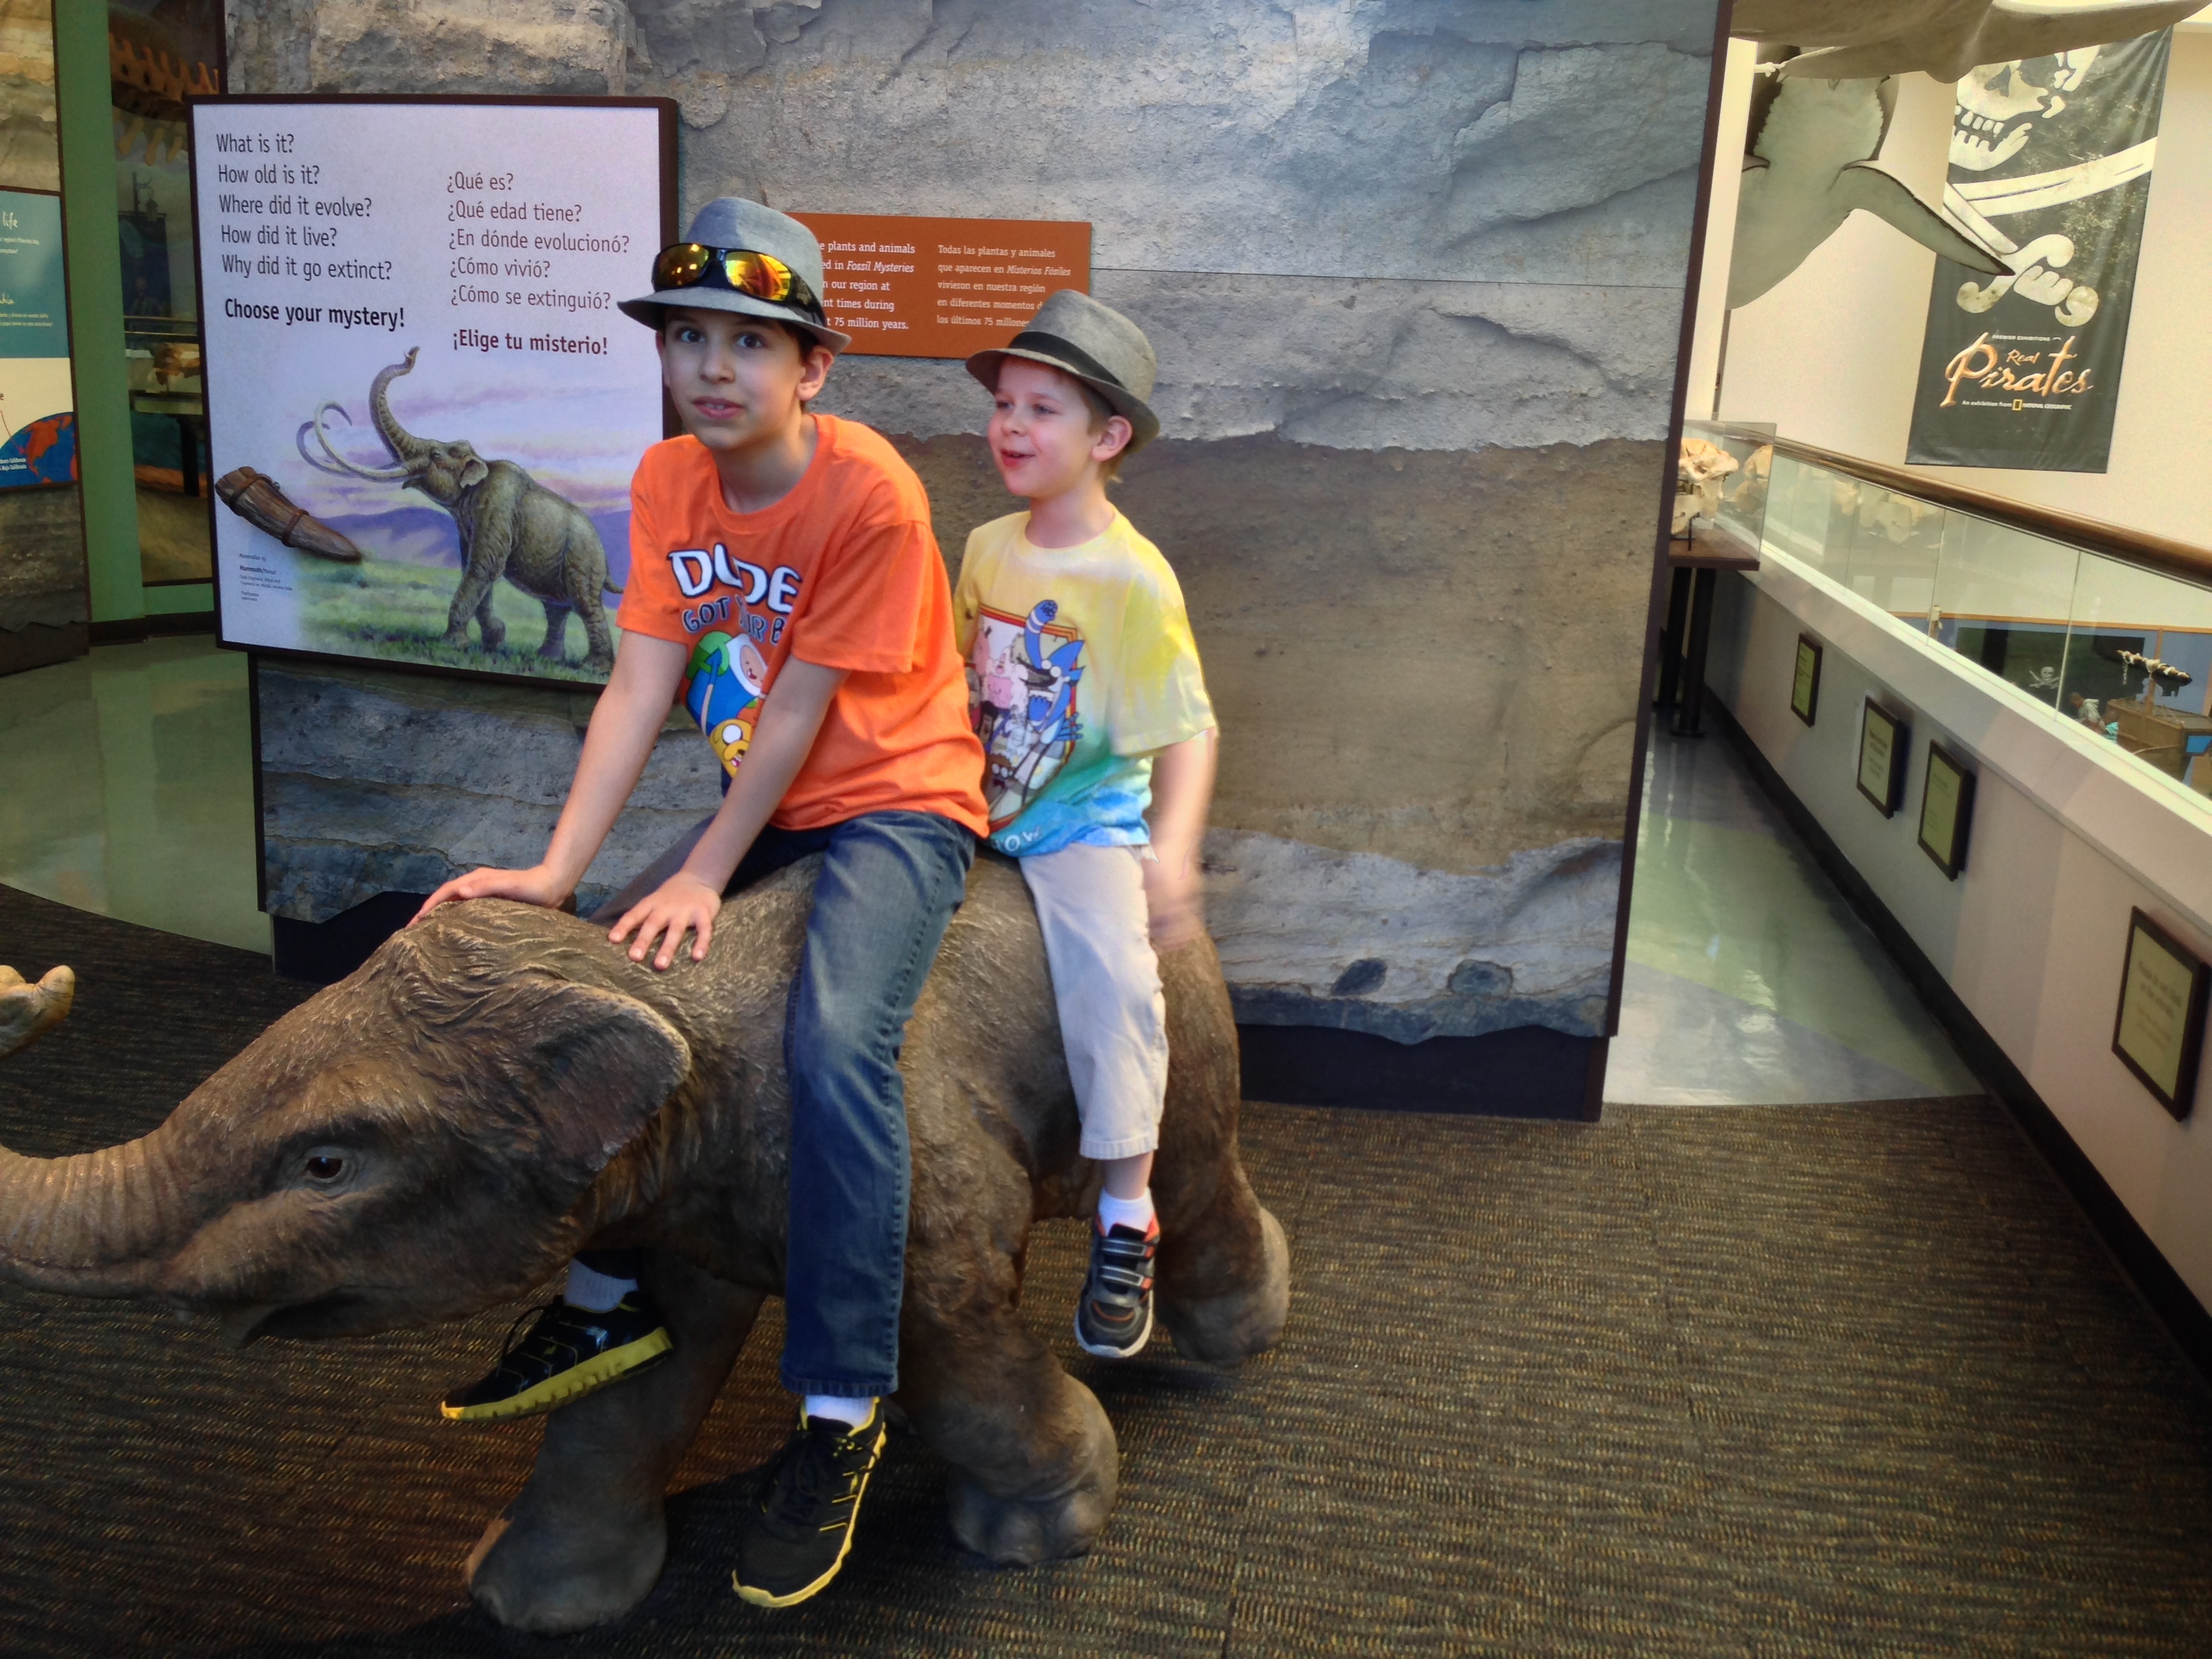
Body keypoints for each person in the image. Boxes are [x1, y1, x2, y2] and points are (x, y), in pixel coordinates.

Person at [412, 198, 989, 1610]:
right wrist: (557, 874)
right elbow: (639, 682)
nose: (713, 367)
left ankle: (842, 1409)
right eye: (688, 339)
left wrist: (707, 869)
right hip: (775, 798)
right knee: (602, 979)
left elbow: (797, 711)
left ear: (813, 367)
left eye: (751, 341)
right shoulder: (670, 478)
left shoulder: (870, 492)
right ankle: (604, 1293)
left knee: (838, 1043)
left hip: (898, 799)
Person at [952, 290, 1218, 1361]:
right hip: (974, 804)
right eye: (1004, 405)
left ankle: (1123, 1213)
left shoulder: (1134, 580)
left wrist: (1175, 853)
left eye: (1042, 409)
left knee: (1116, 981)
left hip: (1080, 821)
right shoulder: (985, 547)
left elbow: (1190, 729)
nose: (1012, 427)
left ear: (1107, 438)